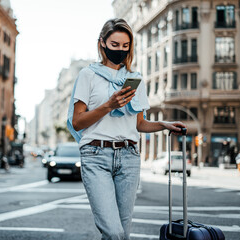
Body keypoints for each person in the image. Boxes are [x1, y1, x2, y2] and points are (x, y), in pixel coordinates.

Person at [67, 18, 187, 240]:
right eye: (115, 45)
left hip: (129, 157)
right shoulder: (88, 75)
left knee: (123, 233)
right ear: (102, 43)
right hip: (96, 156)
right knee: (113, 233)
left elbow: (139, 123)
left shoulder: (134, 79)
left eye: (125, 46)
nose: (120, 50)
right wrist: (109, 105)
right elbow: (77, 122)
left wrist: (163, 125)